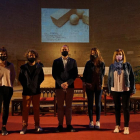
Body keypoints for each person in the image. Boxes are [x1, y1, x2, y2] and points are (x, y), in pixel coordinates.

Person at [108, 49, 135, 134]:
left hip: (125, 89)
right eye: (117, 54)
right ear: (115, 56)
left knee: (126, 108)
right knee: (117, 108)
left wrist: (132, 88)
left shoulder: (127, 65)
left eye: (120, 54)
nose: (119, 56)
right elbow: (109, 79)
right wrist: (109, 90)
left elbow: (132, 78)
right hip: (115, 89)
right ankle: (117, 125)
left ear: (123, 56)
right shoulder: (112, 66)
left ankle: (126, 126)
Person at [52, 45, 78, 132]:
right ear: (60, 51)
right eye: (63, 49)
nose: (64, 50)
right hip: (59, 87)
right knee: (59, 107)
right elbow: (54, 74)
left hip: (69, 87)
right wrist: (61, 83)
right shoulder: (56, 61)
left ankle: (69, 125)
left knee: (69, 107)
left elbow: (75, 74)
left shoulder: (73, 61)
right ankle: (60, 125)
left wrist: (68, 83)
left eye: (65, 49)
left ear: (68, 50)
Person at [19, 49, 44, 134]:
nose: (31, 56)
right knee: (25, 109)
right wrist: (26, 86)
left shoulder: (39, 67)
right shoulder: (23, 67)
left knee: (36, 109)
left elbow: (41, 78)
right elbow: (21, 78)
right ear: (27, 56)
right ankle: (24, 127)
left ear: (35, 56)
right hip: (26, 91)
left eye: (33, 55)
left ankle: (37, 125)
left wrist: (35, 85)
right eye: (30, 55)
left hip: (36, 91)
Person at [83, 48, 105, 129]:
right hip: (90, 86)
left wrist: (102, 84)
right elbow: (85, 74)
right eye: (92, 53)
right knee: (90, 104)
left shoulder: (101, 63)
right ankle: (91, 121)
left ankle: (98, 121)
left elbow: (102, 75)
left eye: (95, 53)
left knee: (98, 104)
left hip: (98, 86)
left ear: (98, 53)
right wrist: (84, 83)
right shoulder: (88, 63)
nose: (93, 54)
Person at [0, 47, 16, 135]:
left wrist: (9, 85)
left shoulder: (11, 65)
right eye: (1, 54)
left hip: (7, 88)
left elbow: (13, 76)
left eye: (4, 54)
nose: (3, 55)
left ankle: (4, 127)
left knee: (6, 108)